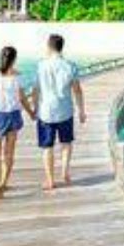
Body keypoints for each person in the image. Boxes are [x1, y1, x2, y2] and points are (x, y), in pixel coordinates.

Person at [32, 33, 85, 191]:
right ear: (62, 47)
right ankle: (65, 172)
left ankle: (50, 180)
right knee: (66, 143)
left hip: (46, 111)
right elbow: (77, 90)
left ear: (49, 47)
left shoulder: (41, 65)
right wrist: (81, 110)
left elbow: (35, 90)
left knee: (47, 147)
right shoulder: (71, 66)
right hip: (65, 110)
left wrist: (34, 108)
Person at [0, 45, 32, 200]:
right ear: (14, 59)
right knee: (9, 153)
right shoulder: (19, 77)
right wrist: (31, 113)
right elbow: (23, 99)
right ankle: (4, 182)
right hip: (13, 116)